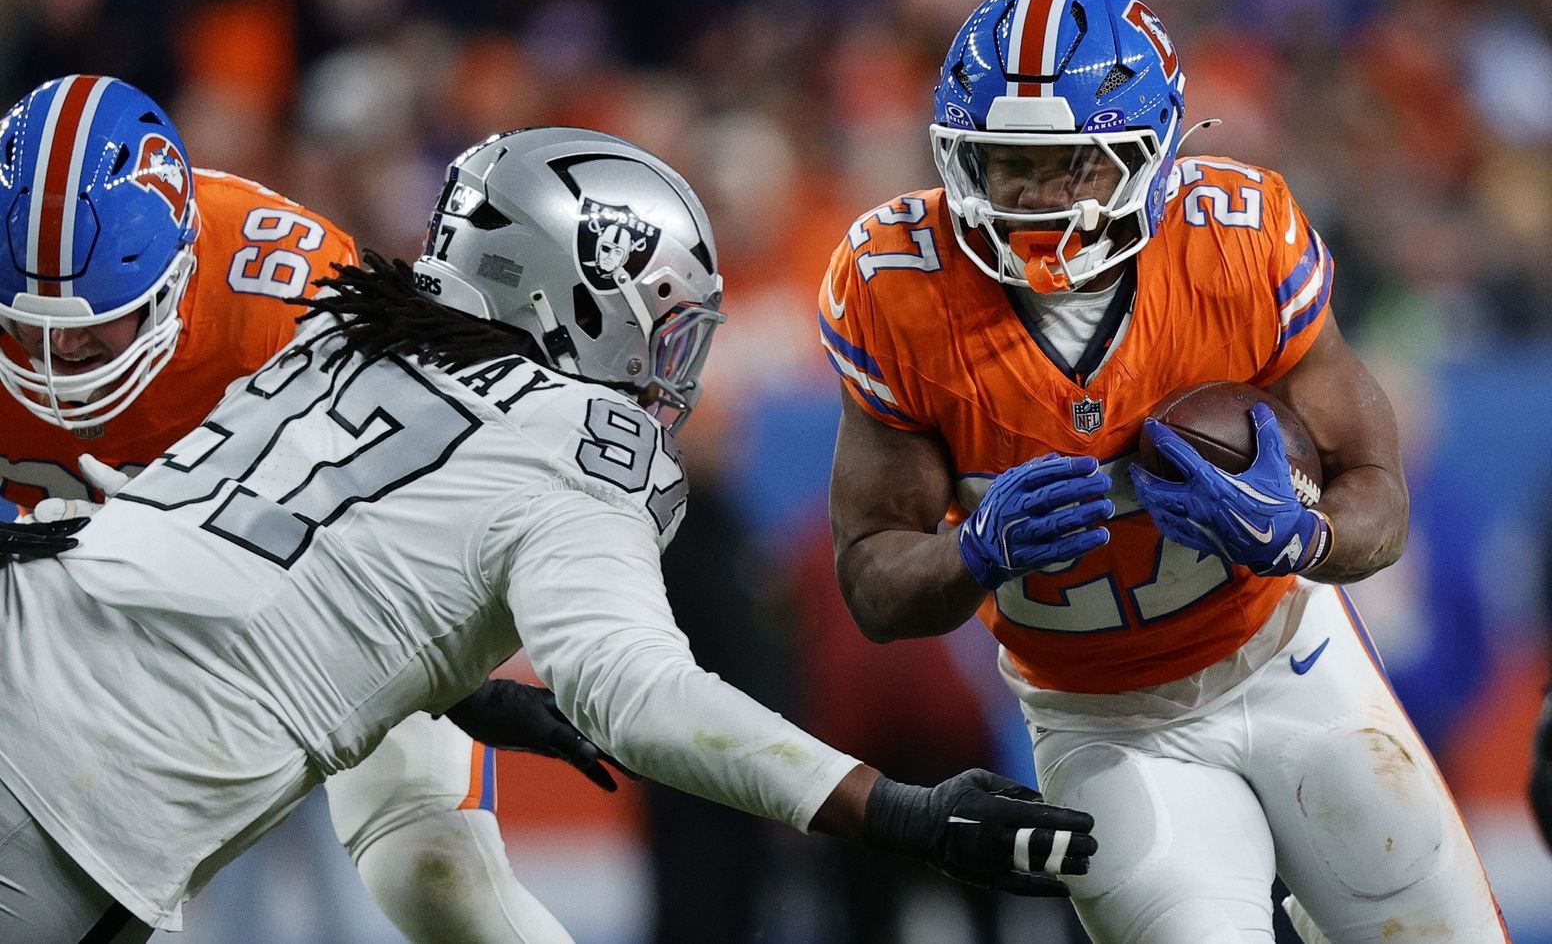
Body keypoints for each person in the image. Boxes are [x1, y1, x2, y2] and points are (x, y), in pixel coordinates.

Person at [0, 126, 1097, 942]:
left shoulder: (340, 335)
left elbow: (263, 564)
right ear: (581, 296)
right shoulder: (576, 436)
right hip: (79, 798)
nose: (672, 364)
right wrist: (897, 808)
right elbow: (637, 690)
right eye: (664, 322)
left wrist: (467, 687)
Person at [819, 0, 1506, 943]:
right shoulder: (898, 286)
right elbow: (870, 578)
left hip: (1289, 656)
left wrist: (1300, 533)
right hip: (1101, 718)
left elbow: (1379, 490)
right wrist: (969, 551)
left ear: (1151, 152)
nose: (1036, 197)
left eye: (1075, 164)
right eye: (1008, 162)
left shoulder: (1235, 240)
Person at [0, 75, 614, 944]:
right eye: (28, 327)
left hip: (303, 602)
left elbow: (422, 509)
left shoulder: (289, 292)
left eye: (101, 324)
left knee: (438, 875)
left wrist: (461, 686)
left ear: (181, 274)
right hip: (75, 624)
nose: (61, 359)